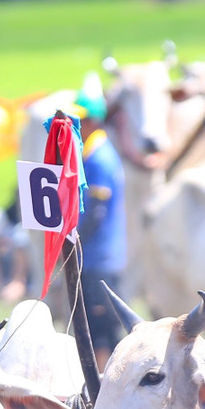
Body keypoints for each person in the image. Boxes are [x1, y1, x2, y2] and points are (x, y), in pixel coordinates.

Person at [74, 72, 128, 366]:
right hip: (98, 258)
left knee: (104, 329)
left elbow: (95, 212)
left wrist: (74, 244)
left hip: (99, 258)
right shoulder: (93, 154)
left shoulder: (99, 159)